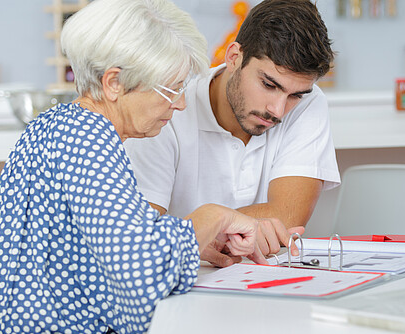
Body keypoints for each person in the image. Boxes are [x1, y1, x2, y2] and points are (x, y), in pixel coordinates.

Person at [0, 0, 278, 333]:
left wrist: (194, 236)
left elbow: (119, 247)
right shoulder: (86, 141)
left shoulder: (57, 125)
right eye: (171, 88)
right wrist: (212, 217)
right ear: (113, 83)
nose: (181, 103)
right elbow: (139, 272)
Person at [124, 0, 341, 266]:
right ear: (234, 57)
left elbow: (287, 215)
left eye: (294, 95)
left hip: (266, 283)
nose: (278, 110)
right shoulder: (170, 108)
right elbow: (137, 237)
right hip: (184, 283)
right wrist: (213, 227)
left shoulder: (309, 103)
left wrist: (202, 232)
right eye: (268, 84)